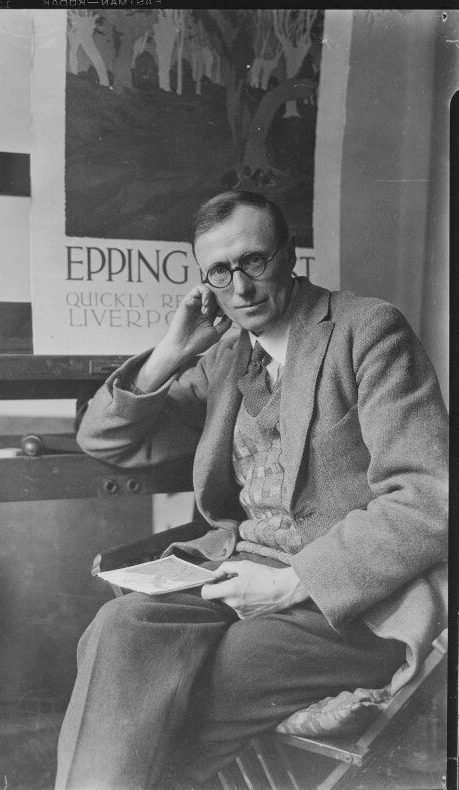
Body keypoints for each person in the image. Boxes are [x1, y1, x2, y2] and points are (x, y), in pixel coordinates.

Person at [55, 191, 448, 790]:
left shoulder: (367, 331)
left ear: (289, 256)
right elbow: (105, 439)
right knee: (119, 628)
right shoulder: (227, 359)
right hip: (241, 571)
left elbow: (429, 493)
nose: (239, 288)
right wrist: (171, 353)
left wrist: (294, 582)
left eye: (255, 261)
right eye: (219, 271)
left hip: (353, 600)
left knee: (186, 691)